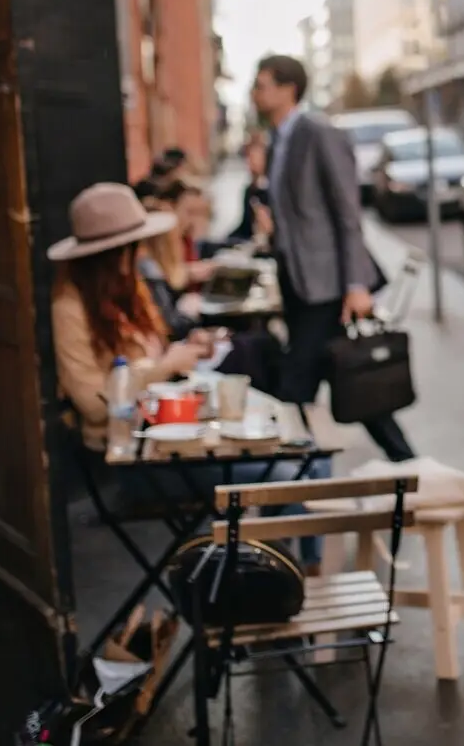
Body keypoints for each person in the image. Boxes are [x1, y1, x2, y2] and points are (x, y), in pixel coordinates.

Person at [49, 182, 331, 569]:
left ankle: (286, 572)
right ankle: (285, 578)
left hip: (176, 432)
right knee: (293, 473)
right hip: (137, 457)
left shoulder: (127, 289)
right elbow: (94, 402)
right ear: (111, 255)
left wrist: (183, 350)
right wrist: (165, 365)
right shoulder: (71, 308)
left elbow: (150, 357)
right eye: (134, 246)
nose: (141, 254)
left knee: (311, 457)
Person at [250, 54, 416, 462]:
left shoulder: (318, 133)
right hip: (296, 281)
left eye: (262, 84)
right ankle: (412, 467)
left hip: (327, 286)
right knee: (356, 386)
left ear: (288, 88)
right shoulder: (277, 141)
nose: (255, 93)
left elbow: (347, 213)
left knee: (295, 386)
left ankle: (285, 490)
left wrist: (356, 285)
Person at [228, 135, 271, 243]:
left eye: (254, 158)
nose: (250, 163)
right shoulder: (249, 190)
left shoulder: (272, 190)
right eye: (248, 159)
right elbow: (245, 225)